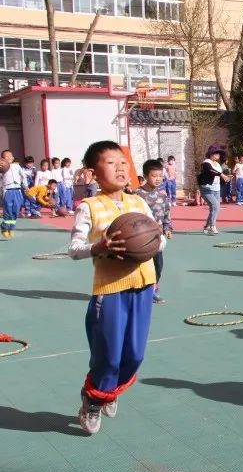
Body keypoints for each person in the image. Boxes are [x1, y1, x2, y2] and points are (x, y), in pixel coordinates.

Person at [68, 140, 166, 435]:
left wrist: (154, 241)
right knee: (108, 354)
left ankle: (109, 390)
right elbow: (74, 249)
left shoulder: (139, 202)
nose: (121, 167)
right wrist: (98, 247)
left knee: (134, 354)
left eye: (123, 161)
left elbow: (159, 240)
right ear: (93, 172)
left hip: (144, 286)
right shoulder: (90, 207)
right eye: (111, 162)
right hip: (110, 290)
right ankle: (93, 399)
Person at [136, 159, 173, 304]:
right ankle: (147, 291)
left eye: (160, 176)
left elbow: (166, 212)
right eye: (154, 176)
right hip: (141, 237)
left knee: (158, 265)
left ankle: (154, 288)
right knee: (144, 264)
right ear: (145, 176)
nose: (158, 179)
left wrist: (168, 228)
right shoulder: (137, 194)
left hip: (157, 237)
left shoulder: (163, 194)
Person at [197, 149, 231, 235]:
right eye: (216, 153)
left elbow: (218, 176)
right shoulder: (206, 162)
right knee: (215, 206)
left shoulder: (218, 164)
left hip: (216, 188)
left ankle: (207, 226)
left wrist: (226, 177)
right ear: (211, 154)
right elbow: (210, 170)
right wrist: (222, 175)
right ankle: (212, 226)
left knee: (215, 208)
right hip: (206, 188)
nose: (218, 155)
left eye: (219, 154)